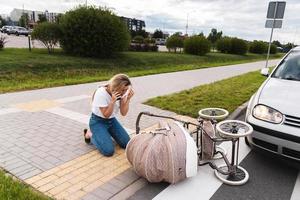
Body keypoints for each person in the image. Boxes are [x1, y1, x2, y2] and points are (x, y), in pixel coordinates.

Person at [84, 74, 134, 156]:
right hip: (98, 121)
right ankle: (90, 134)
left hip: (111, 121)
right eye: (123, 90)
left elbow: (123, 113)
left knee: (127, 144)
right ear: (116, 87)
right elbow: (106, 115)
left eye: (126, 90)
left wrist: (127, 99)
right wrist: (112, 101)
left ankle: (105, 134)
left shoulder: (121, 93)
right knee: (108, 151)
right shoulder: (101, 93)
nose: (125, 92)